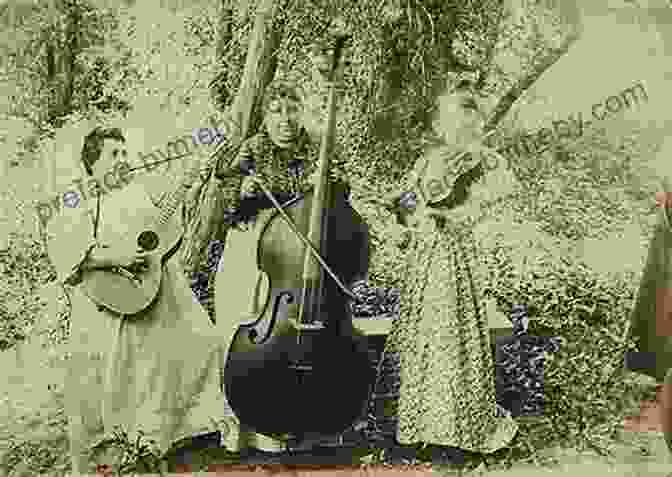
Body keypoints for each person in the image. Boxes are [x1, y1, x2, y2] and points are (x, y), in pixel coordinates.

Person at [44, 127, 232, 475]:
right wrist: (115, 258)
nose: (123, 160)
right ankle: (117, 452)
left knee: (200, 344)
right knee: (109, 378)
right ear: (93, 163)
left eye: (124, 153)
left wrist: (190, 185)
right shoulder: (79, 199)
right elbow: (68, 252)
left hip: (150, 292)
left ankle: (161, 441)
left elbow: (161, 232)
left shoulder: (136, 192)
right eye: (113, 154)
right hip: (105, 299)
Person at [212, 77, 367, 455]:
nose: (285, 119)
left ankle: (316, 412)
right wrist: (243, 190)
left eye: (292, 109)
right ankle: (250, 421)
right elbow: (224, 186)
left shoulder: (319, 146)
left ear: (302, 111)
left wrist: (328, 182)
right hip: (261, 250)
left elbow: (343, 192)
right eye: (277, 111)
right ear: (265, 116)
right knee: (246, 321)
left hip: (308, 251)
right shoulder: (253, 147)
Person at [371, 80, 519, 464]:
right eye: (452, 118)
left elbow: (494, 204)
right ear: (440, 124)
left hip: (456, 261)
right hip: (424, 257)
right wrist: (402, 219)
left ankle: (458, 430)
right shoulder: (428, 161)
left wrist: (454, 217)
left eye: (468, 119)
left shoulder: (484, 161)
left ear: (476, 123)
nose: (460, 126)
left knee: (452, 340)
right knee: (424, 339)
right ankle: (422, 428)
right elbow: (406, 201)